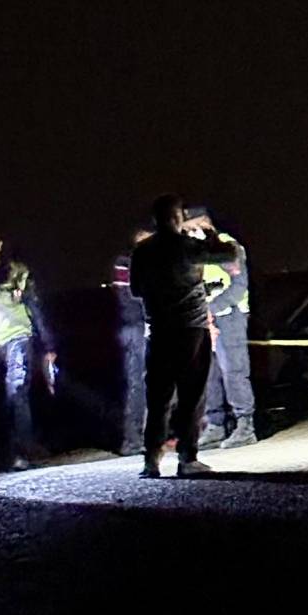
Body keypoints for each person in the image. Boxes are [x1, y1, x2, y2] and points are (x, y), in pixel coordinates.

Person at [130, 195, 237, 478]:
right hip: (191, 327)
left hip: (159, 329)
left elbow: (135, 290)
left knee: (158, 397)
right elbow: (229, 254)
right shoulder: (188, 246)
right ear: (178, 218)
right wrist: (210, 230)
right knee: (192, 394)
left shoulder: (141, 252)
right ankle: (187, 458)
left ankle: (151, 461)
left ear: (154, 219)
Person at [0, 226, 56, 471]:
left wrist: (48, 343)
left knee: (16, 390)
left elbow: (34, 305)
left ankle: (24, 449)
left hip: (17, 336)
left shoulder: (17, 272)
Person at [184, 209, 258, 450]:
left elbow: (239, 285)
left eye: (191, 227)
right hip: (202, 320)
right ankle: (215, 425)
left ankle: (245, 425)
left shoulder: (227, 246)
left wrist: (211, 309)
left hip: (230, 316)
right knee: (207, 373)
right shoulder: (192, 251)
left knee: (233, 370)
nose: (187, 233)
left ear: (205, 224)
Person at [111, 227, 151, 455]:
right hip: (135, 327)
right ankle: (133, 439)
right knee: (138, 382)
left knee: (149, 382)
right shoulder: (126, 262)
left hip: (142, 325)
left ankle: (145, 435)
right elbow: (130, 296)